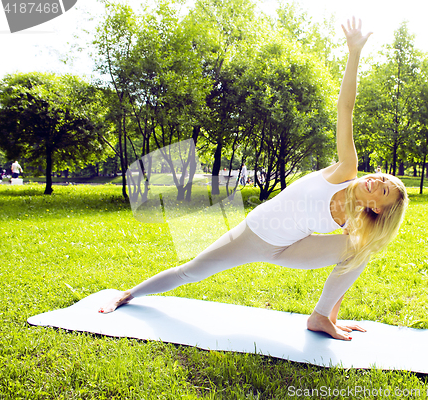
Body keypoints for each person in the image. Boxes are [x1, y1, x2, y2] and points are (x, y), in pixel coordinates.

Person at [99, 17, 409, 341]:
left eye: (384, 189)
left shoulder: (356, 223)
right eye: (382, 177)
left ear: (376, 207)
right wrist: (354, 52)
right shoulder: (346, 169)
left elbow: (347, 266)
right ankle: (129, 294)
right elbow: (345, 108)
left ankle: (320, 318)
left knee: (360, 250)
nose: (376, 179)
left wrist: (333, 314)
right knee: (191, 271)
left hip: (289, 249)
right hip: (252, 234)